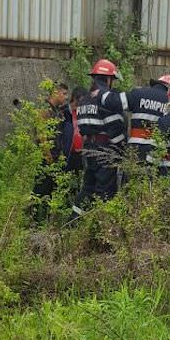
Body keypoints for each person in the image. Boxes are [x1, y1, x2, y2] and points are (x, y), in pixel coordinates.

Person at [71, 59, 128, 218]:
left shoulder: (83, 101)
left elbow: (81, 129)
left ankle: (72, 224)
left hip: (88, 150)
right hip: (106, 152)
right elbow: (115, 129)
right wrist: (122, 151)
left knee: (88, 189)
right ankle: (102, 230)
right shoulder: (107, 99)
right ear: (108, 79)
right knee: (106, 191)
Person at [31, 82, 69, 220]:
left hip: (56, 157)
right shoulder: (44, 110)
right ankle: (32, 219)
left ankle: (47, 220)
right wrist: (48, 157)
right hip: (47, 159)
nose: (66, 97)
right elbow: (41, 135)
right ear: (55, 93)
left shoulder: (57, 111)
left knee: (52, 191)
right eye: (64, 93)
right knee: (39, 191)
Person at [125, 74, 170, 162]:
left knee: (132, 174)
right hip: (156, 149)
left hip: (135, 146)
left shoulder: (138, 93)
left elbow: (118, 104)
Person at [62, 87, 87, 173]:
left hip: (81, 154)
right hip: (67, 153)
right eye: (79, 101)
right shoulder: (64, 112)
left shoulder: (84, 113)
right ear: (74, 98)